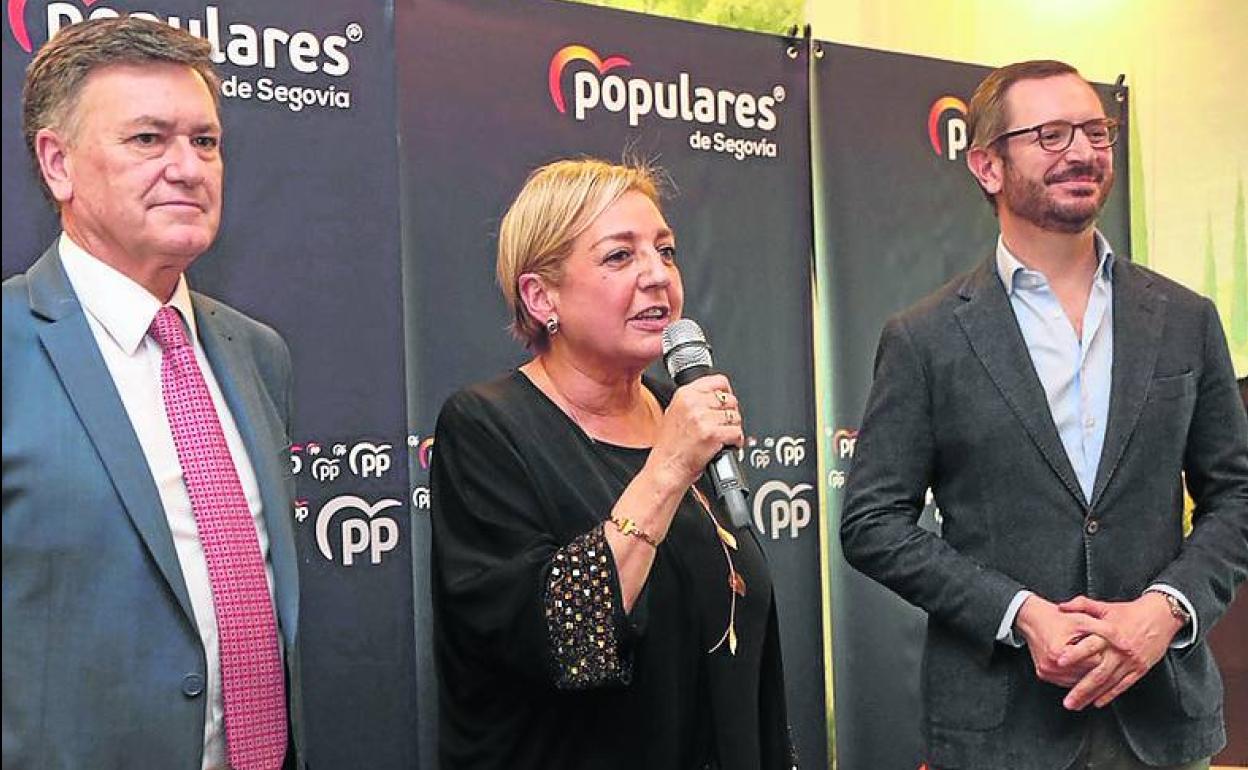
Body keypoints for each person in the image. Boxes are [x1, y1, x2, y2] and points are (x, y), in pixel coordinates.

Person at [841, 59, 1248, 770]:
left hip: (1161, 723)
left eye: (1096, 131)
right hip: (998, 730)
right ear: (987, 166)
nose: (1084, 152)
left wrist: (1167, 609)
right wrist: (1020, 614)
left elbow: (1237, 495)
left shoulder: (1185, 318)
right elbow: (872, 522)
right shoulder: (925, 337)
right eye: (1051, 135)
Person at [3, 18, 302, 770]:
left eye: (205, 141)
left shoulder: (257, 354)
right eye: (147, 140)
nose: (188, 167)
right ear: (57, 163)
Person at [429, 158, 794, 770]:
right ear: (541, 295)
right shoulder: (487, 427)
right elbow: (561, 642)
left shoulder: (676, 409)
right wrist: (667, 469)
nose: (658, 276)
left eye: (667, 251)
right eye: (620, 256)